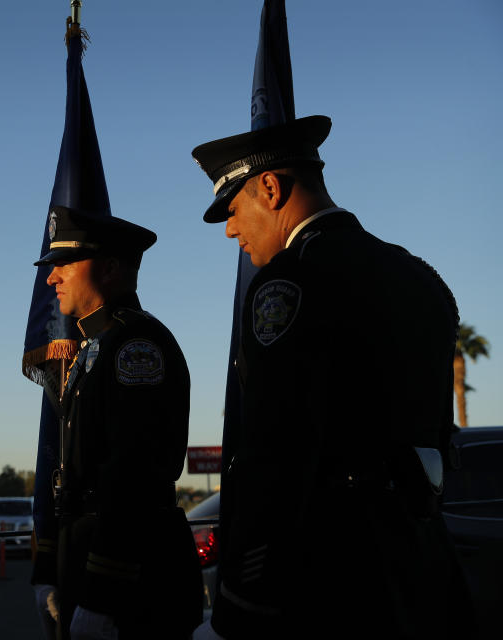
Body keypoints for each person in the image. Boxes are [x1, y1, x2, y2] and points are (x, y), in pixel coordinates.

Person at [190, 116, 474, 639]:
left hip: (330, 575)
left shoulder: (288, 281)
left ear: (270, 188)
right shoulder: (421, 276)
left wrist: (240, 603)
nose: (231, 230)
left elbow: (276, 449)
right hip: (419, 563)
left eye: (233, 210)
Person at [30, 207, 204, 640]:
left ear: (108, 268)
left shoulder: (136, 346)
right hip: (89, 562)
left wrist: (101, 596)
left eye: (63, 264)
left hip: (130, 579)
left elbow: (134, 475)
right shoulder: (93, 347)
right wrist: (49, 567)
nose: (52, 278)